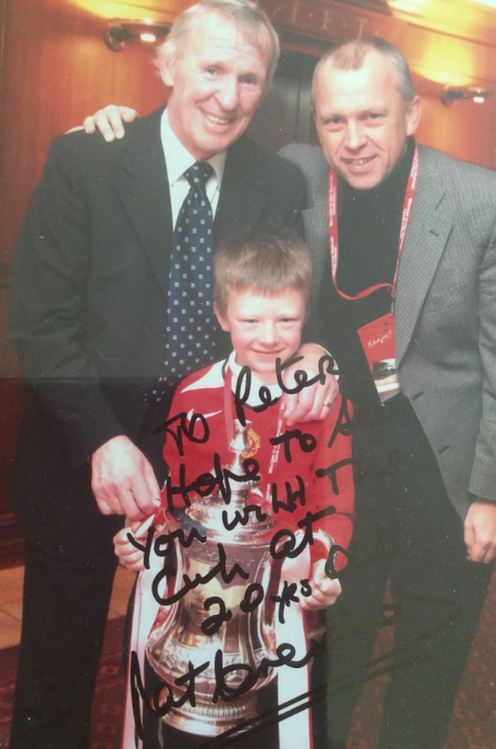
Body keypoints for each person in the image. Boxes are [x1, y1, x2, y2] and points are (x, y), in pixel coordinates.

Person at [88, 35, 496, 749]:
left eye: (371, 118)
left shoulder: (489, 204)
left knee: (429, 653)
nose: (352, 140)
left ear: (411, 114)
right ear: (315, 126)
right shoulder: (297, 175)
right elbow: (201, 140)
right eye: (334, 121)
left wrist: (493, 493)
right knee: (329, 648)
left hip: (440, 463)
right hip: (335, 458)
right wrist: (119, 127)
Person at [7, 3, 338, 749]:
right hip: (81, 455)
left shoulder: (275, 183)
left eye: (248, 77)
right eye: (212, 69)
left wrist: (312, 350)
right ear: (167, 66)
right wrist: (102, 439)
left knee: (200, 670)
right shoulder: (85, 159)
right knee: (58, 667)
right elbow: (41, 321)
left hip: (211, 472)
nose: (228, 95)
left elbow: (278, 309)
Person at [114, 228, 354, 748]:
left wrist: (324, 565)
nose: (269, 336)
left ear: (305, 316)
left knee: (273, 729)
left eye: (286, 320)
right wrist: (141, 534)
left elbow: (337, 506)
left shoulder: (325, 404)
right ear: (223, 317)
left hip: (282, 603)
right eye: (250, 320)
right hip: (201, 601)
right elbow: (176, 499)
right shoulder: (194, 394)